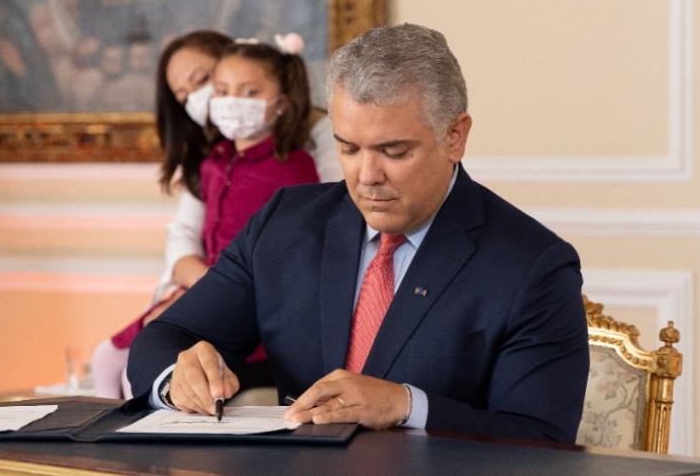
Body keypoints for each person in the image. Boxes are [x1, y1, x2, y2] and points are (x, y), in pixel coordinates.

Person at [127, 23, 589, 443]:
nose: (367, 176)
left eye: (394, 150)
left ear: (455, 136)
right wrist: (176, 378)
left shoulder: (534, 266)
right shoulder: (285, 223)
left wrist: (408, 406)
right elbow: (167, 334)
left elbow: (542, 440)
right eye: (348, 148)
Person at [90, 31, 342, 399]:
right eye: (219, 91)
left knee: (146, 373)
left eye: (201, 81)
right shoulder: (214, 160)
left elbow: (306, 247)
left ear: (281, 100)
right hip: (206, 290)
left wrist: (227, 295)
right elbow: (184, 237)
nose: (222, 100)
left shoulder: (300, 161)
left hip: (252, 304)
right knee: (113, 357)